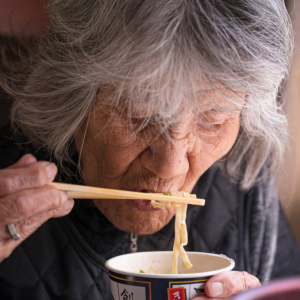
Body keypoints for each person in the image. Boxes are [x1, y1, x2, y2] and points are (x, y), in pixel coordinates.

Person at [0, 0, 300, 299]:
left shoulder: (240, 174)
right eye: (140, 118)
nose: (171, 167)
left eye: (212, 122)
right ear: (72, 93)